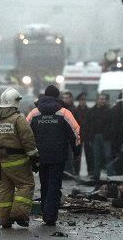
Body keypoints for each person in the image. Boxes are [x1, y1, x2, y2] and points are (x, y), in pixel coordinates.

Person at [27, 85, 80, 226]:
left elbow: (25, 133)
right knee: (54, 185)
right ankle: (50, 216)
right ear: (58, 97)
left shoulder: (34, 113)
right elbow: (76, 133)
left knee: (44, 184)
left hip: (40, 155)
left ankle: (46, 211)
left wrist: (28, 153)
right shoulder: (64, 113)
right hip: (58, 156)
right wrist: (77, 152)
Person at [0, 87, 39, 229]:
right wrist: (35, 157)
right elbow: (28, 140)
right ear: (15, 102)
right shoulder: (18, 119)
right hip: (18, 161)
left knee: (4, 190)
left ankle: (4, 220)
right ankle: (19, 214)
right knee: (26, 185)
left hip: (0, 163)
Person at [86, 93, 114, 181]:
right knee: (96, 156)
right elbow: (88, 124)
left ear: (106, 100)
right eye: (101, 99)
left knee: (108, 156)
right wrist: (90, 136)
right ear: (97, 100)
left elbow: (112, 124)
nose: (102, 101)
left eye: (104, 99)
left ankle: (110, 175)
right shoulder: (91, 111)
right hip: (95, 136)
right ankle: (96, 175)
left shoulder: (109, 111)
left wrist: (109, 134)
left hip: (106, 136)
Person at [62, 91, 81, 177]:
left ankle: (74, 172)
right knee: (66, 155)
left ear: (71, 98)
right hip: (65, 136)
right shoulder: (62, 109)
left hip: (73, 135)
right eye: (64, 98)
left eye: (67, 98)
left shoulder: (75, 110)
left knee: (75, 154)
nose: (65, 100)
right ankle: (67, 172)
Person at [74, 92, 91, 176]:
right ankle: (76, 172)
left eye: (84, 99)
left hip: (87, 135)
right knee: (77, 154)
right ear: (79, 101)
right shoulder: (75, 111)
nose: (83, 101)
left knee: (89, 154)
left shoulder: (89, 110)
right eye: (81, 100)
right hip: (78, 135)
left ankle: (90, 171)